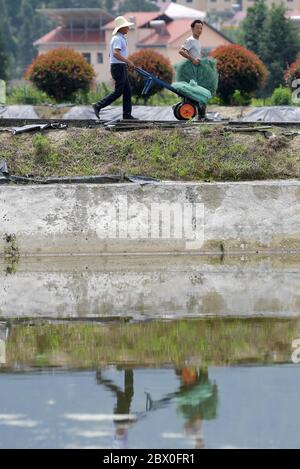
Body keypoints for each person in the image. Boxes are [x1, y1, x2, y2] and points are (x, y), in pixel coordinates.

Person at [93, 16, 138, 121]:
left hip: (120, 66)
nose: (128, 28)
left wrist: (125, 64)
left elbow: (111, 54)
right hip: (118, 67)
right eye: (126, 26)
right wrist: (128, 62)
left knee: (127, 91)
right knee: (118, 91)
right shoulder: (117, 38)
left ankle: (127, 115)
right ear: (121, 28)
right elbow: (115, 53)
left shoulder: (120, 38)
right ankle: (98, 105)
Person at [178, 20, 206, 119]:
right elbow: (181, 51)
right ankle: (200, 115)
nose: (199, 30)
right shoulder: (190, 40)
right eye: (197, 28)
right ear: (192, 29)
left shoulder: (197, 41)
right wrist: (193, 59)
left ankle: (201, 115)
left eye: (201, 28)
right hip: (190, 70)